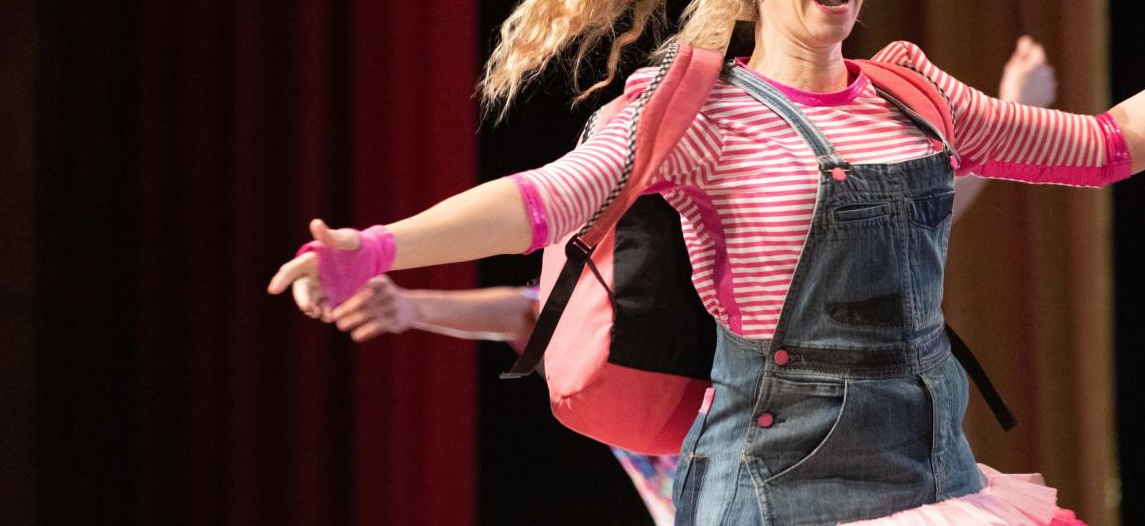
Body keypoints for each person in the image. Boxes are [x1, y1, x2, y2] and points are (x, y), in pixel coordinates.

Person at [268, 0, 1145, 526]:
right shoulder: (689, 111)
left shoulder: (916, 97)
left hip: (932, 480)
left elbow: (1109, 145)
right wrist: (376, 247)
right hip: (780, 495)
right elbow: (544, 197)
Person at [328, 38, 1059, 526]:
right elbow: (534, 308)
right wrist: (403, 288)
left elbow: (908, 216)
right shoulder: (648, 243)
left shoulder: (736, 234)